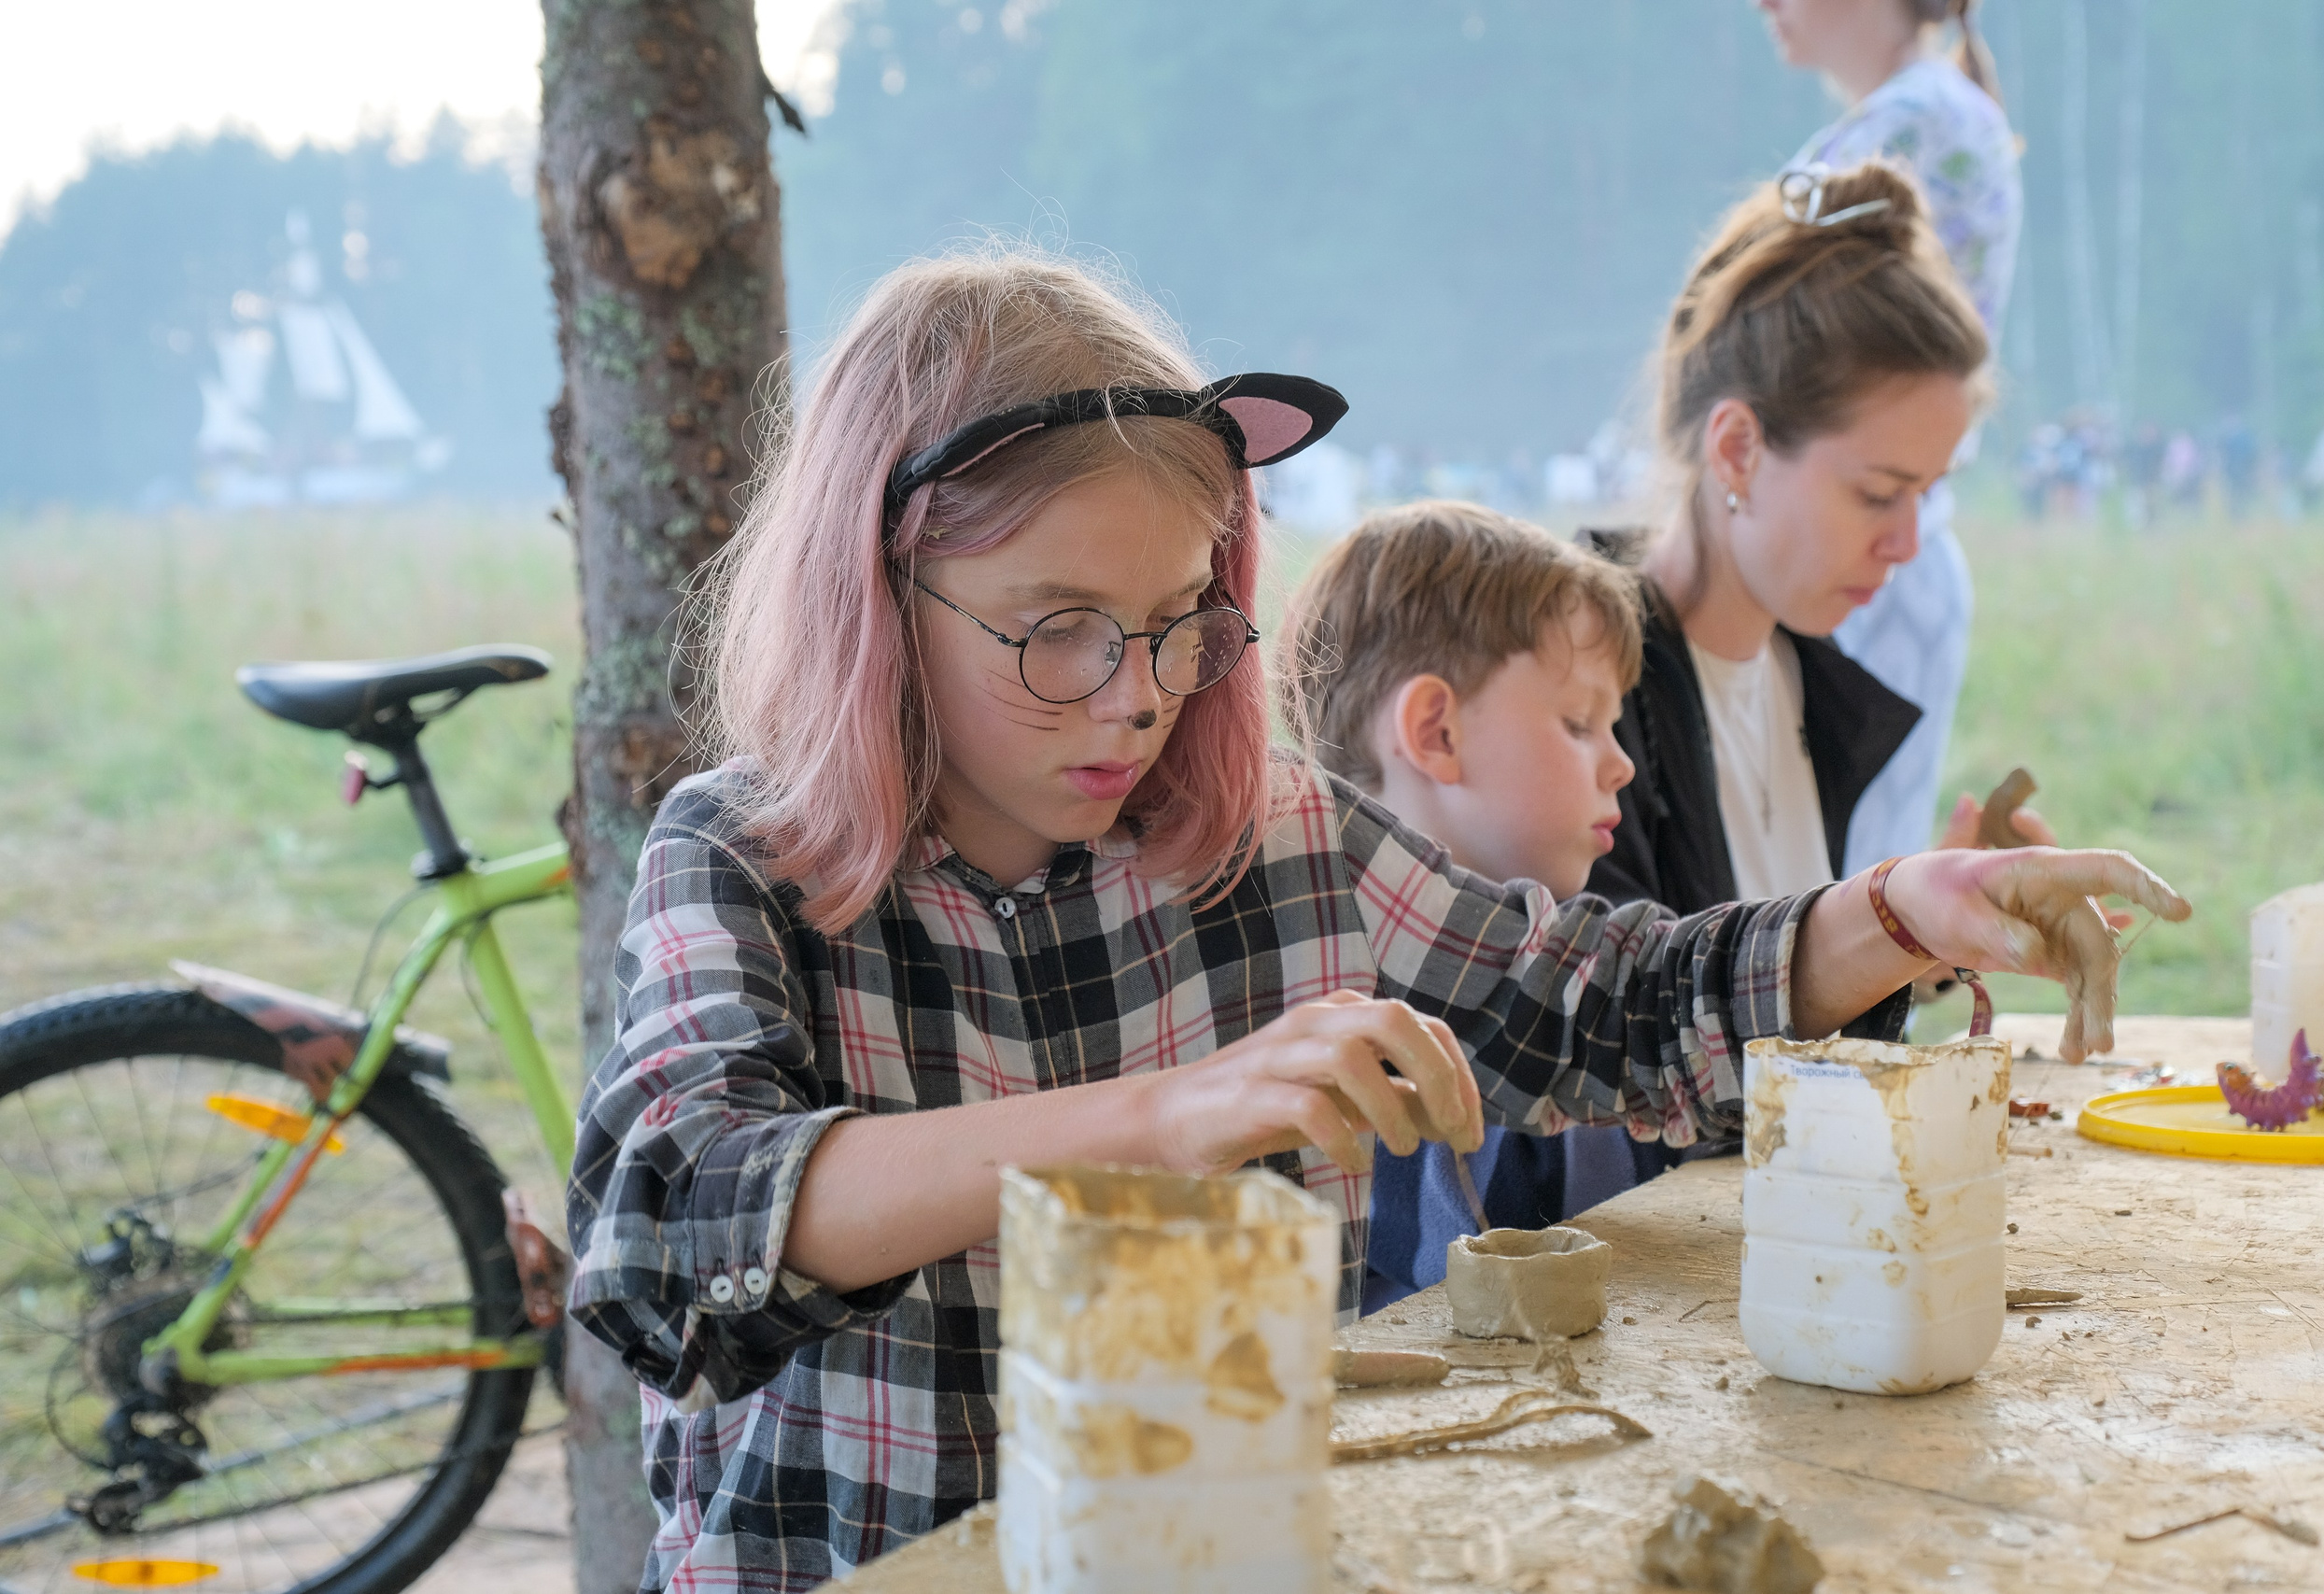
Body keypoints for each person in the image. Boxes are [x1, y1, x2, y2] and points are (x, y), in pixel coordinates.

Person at [564, 246, 2186, 1589]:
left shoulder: (1271, 834)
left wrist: (1902, 907)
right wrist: (1167, 1114)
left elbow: (1612, 1005)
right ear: (874, 588)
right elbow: (667, 1229)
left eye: (1179, 621)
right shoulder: (751, 856)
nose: (1133, 699)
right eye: (1059, 631)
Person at [1277, 501, 1651, 1306]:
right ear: (1437, 732)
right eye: (1580, 722)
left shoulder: (1564, 968)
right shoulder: (1351, 1010)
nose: (1620, 763)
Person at [1756, 0, 2023, 874]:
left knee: (1839, 909)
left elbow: (1755, 342)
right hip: (1872, 558)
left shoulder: (1918, 119)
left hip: (1861, 565)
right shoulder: (1928, 112)